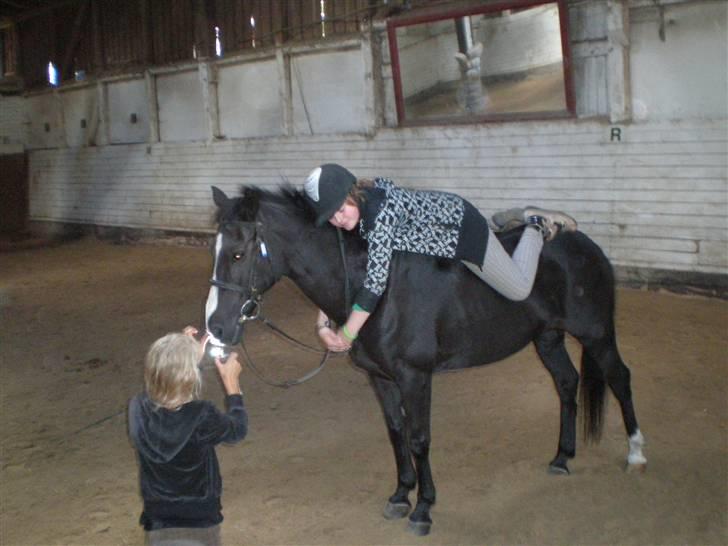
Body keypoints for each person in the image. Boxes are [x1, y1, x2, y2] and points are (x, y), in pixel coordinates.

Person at [302, 163, 577, 352]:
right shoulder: (357, 210)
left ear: (353, 193)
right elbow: (346, 268)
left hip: (463, 231)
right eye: (331, 216)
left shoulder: (379, 213)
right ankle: (509, 220)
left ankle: (535, 226)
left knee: (518, 288)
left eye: (341, 209)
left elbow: (374, 284)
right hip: (435, 222)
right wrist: (323, 322)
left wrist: (348, 333)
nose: (338, 220)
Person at [128, 326, 248, 546]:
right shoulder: (202, 415)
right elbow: (237, 431)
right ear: (190, 376)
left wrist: (179, 356)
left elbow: (168, 387)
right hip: (200, 517)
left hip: (159, 516)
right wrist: (232, 386)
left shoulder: (137, 408)